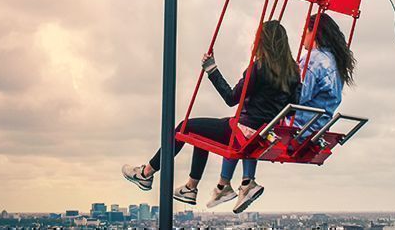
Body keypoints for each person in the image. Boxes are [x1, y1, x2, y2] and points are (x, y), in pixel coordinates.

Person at [121, 20, 300, 209]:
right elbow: (294, 108)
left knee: (184, 127)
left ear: (262, 41)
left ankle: (146, 173)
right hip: (263, 134)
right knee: (202, 134)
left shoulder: (259, 67)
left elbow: (231, 98)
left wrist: (212, 70)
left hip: (242, 131)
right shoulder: (294, 72)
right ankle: (190, 187)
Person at [214, 12, 356, 212]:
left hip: (298, 128)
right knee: (251, 122)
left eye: (304, 32)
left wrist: (271, 82)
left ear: (313, 33)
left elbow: (297, 96)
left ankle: (225, 184)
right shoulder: (335, 62)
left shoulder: (314, 59)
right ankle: (244, 183)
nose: (301, 38)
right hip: (317, 129)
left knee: (244, 125)